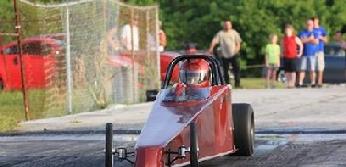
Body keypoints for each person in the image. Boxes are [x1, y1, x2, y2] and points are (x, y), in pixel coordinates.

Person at [208, 20, 242, 88]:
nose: (227, 26)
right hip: (224, 55)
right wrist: (211, 47)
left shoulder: (234, 33)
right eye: (225, 24)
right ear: (224, 25)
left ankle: (237, 85)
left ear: (231, 25)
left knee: (236, 70)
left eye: (228, 24)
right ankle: (227, 85)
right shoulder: (220, 33)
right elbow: (215, 40)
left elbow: (238, 43)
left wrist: (236, 51)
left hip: (234, 54)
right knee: (225, 71)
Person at [298, 19, 319, 87]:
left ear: (313, 25)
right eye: (307, 24)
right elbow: (301, 41)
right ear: (305, 25)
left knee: (312, 69)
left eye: (310, 24)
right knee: (302, 69)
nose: (309, 26)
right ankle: (300, 83)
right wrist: (310, 39)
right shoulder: (302, 32)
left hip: (312, 54)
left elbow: (316, 42)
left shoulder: (315, 33)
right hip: (304, 53)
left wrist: (306, 40)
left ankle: (313, 83)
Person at [312, 17, 328, 88]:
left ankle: (320, 82)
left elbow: (326, 40)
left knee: (320, 67)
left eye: (316, 21)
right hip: (312, 51)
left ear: (318, 21)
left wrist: (321, 38)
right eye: (314, 21)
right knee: (313, 67)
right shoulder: (310, 29)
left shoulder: (322, 29)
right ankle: (313, 82)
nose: (315, 22)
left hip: (320, 50)